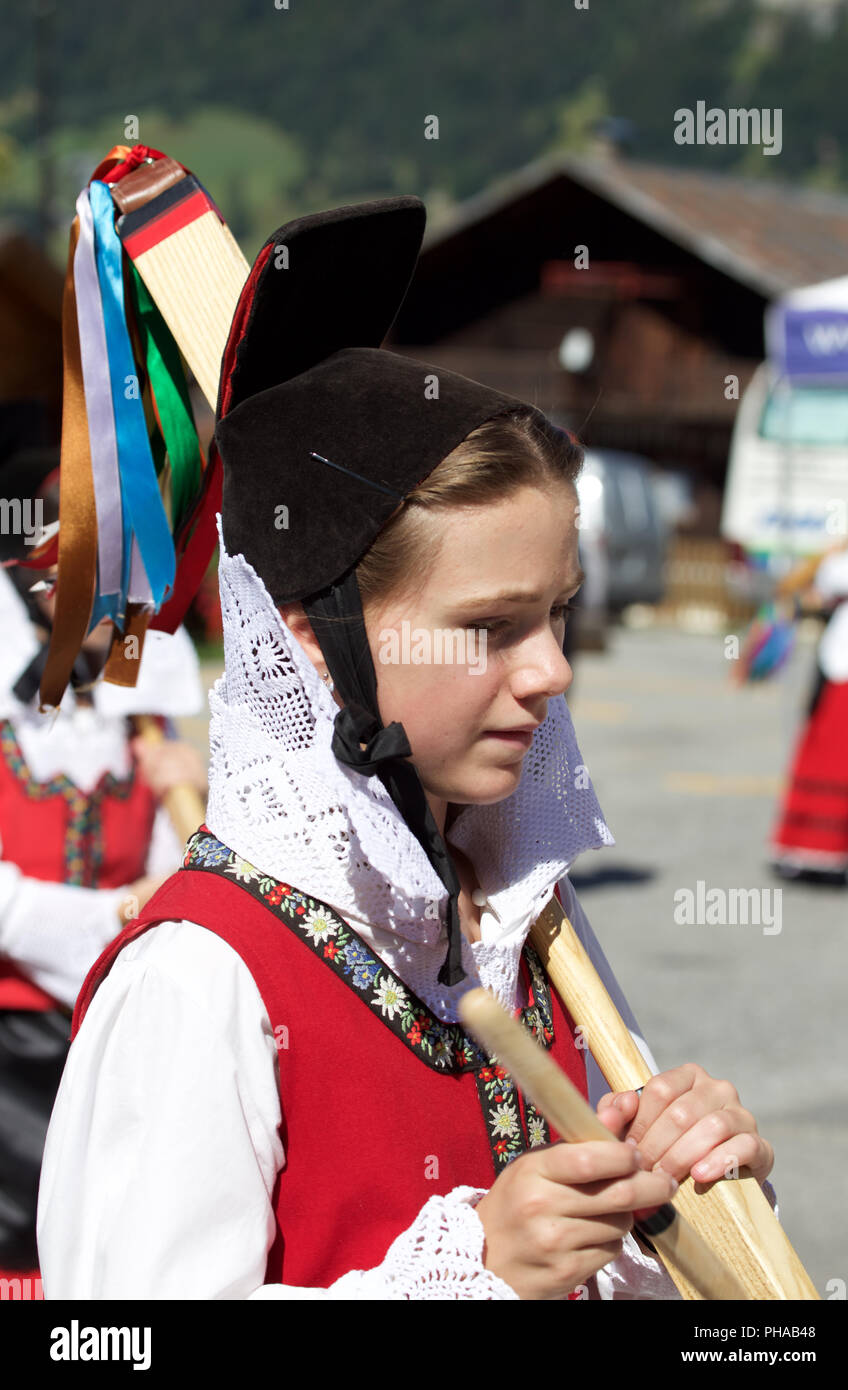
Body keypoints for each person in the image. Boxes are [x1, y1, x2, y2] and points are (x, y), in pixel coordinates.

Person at [37, 197, 776, 1300]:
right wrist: (465, 1279)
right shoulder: (202, 979)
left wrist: (692, 1210)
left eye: (556, 612)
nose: (552, 671)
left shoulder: (520, 920)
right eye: (489, 627)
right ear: (314, 643)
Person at [0, 439, 206, 1285]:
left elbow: (182, 885)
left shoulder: (136, 711)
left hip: (116, 1035)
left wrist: (204, 808)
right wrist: (125, 913)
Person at [769, 485, 848, 886]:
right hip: (846, 641)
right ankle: (812, 844)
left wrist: (828, 565)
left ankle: (846, 848)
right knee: (829, 740)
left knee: (847, 746)